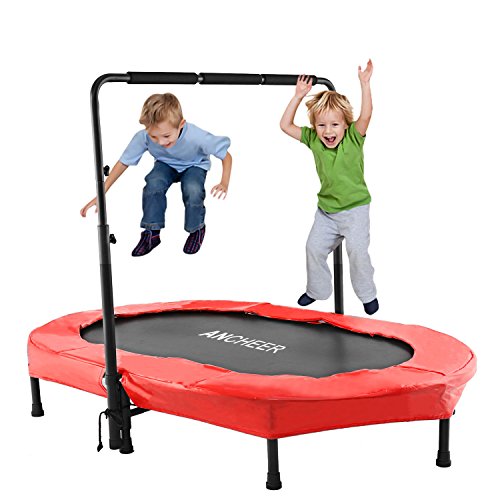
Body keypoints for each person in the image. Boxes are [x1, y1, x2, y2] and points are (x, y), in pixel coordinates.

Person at [279, 60, 378, 315]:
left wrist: (364, 84)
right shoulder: (313, 139)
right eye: (322, 125)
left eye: (334, 125)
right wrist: (298, 96)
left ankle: (367, 295)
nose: (328, 131)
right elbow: (285, 126)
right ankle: (317, 291)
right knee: (313, 249)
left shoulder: (354, 138)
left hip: (355, 210)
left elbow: (366, 115)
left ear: (346, 124)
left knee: (357, 252)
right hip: (327, 212)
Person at [80, 93, 232, 256]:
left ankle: (196, 229)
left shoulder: (197, 137)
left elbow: (226, 156)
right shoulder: (144, 137)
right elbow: (123, 162)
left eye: (166, 136)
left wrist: (224, 182)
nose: (161, 142)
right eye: (154, 136)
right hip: (165, 164)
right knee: (153, 184)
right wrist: (101, 193)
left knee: (192, 189)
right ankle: (152, 233)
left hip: (194, 165)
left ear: (181, 124)